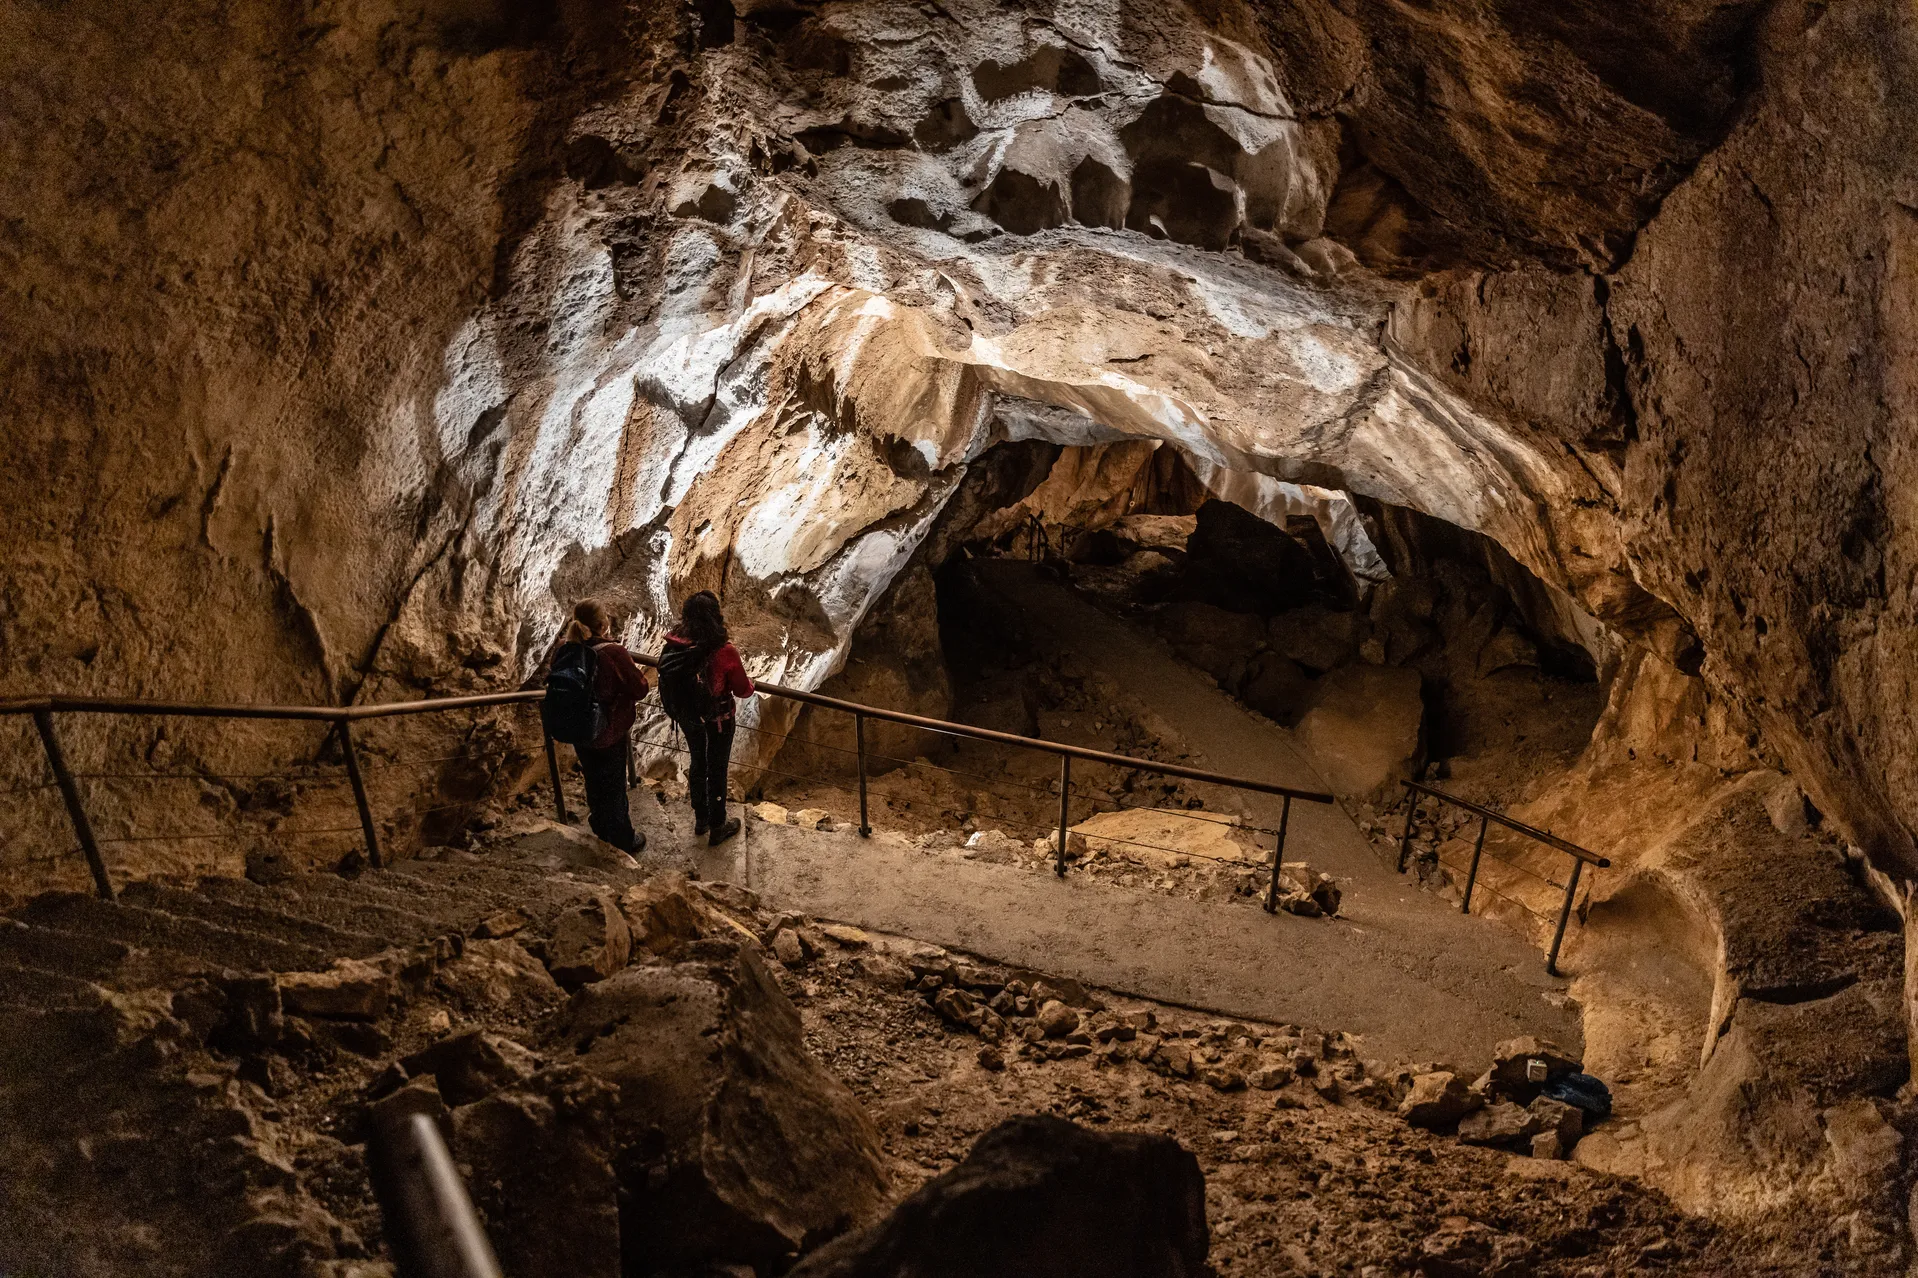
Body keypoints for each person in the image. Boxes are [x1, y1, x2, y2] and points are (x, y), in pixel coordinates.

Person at [549, 599, 648, 854]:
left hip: (579, 728)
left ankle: (601, 826)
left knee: (593, 779)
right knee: (614, 786)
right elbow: (639, 688)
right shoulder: (613, 652)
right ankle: (623, 839)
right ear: (602, 624)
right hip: (608, 730)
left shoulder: (565, 648)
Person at [658, 591, 755, 846]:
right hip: (718, 719)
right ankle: (718, 826)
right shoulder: (723, 651)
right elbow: (743, 690)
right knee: (717, 769)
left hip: (689, 717)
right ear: (715, 616)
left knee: (698, 763)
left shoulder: (676, 643)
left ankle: (701, 819)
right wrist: (751, 685)